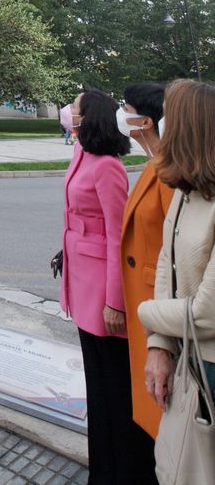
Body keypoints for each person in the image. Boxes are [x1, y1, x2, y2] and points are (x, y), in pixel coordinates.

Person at [61, 88, 144, 482]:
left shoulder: (108, 166)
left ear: (88, 117)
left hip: (103, 292)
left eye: (74, 109)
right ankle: (101, 470)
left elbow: (118, 236)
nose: (68, 113)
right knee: (97, 385)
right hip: (82, 282)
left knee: (114, 389)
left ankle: (118, 471)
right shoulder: (82, 153)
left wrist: (117, 301)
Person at [139, 79, 215, 415]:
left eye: (168, 116)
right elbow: (164, 266)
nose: (161, 124)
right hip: (187, 355)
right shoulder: (186, 191)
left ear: (187, 129)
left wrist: (143, 314)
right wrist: (159, 343)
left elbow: (205, 313)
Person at [117, 82, 172, 483]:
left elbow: (178, 251)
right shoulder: (154, 161)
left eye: (127, 108)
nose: (122, 115)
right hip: (146, 305)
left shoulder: (170, 169)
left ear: (146, 120)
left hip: (158, 309)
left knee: (165, 417)